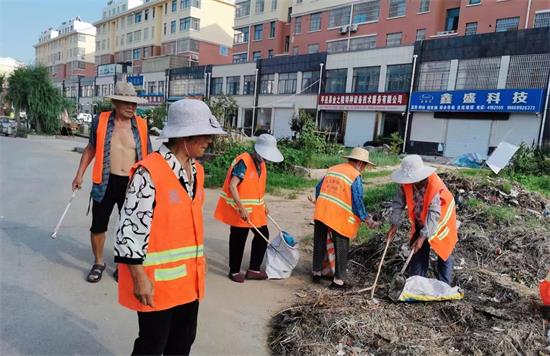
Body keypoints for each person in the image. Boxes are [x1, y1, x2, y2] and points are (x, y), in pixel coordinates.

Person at [114, 99, 226, 355]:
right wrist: (139, 277)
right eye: (205, 135)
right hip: (157, 283)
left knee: (183, 341)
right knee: (152, 345)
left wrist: (201, 257)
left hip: (189, 281)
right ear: (185, 135)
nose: (209, 141)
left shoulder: (197, 170)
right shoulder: (149, 172)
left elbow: (189, 222)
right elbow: (129, 229)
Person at [71, 82, 151, 283]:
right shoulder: (101, 121)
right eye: (126, 102)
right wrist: (79, 174)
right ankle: (99, 262)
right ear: (115, 102)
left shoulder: (141, 124)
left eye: (134, 103)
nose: (131, 107)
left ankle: (122, 265)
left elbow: (149, 156)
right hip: (105, 182)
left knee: (129, 227)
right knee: (98, 226)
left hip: (132, 185)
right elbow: (91, 148)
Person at [214, 134, 284, 283]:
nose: (266, 159)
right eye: (264, 156)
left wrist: (264, 205)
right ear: (257, 151)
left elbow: (257, 188)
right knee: (239, 238)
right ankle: (234, 271)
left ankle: (254, 269)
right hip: (240, 209)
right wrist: (241, 208)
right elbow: (233, 185)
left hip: (256, 210)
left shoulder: (262, 165)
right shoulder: (243, 162)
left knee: (263, 234)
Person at [311, 147, 379, 289]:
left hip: (321, 211)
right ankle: (338, 280)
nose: (364, 168)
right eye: (365, 165)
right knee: (341, 247)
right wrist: (366, 218)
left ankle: (316, 272)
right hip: (338, 216)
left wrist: (321, 202)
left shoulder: (333, 169)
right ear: (360, 163)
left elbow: (318, 188)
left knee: (319, 242)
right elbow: (357, 200)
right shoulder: (354, 175)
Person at [386, 155, 458, 285]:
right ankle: (418, 283)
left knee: (443, 251)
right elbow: (398, 203)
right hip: (421, 218)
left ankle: (444, 285)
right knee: (417, 250)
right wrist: (394, 224)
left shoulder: (434, 186)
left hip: (441, 220)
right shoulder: (405, 184)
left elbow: (434, 214)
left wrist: (423, 237)